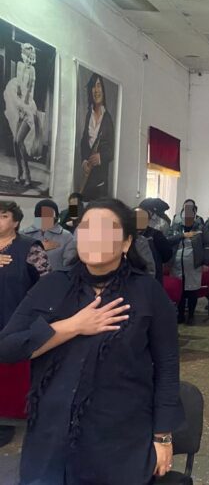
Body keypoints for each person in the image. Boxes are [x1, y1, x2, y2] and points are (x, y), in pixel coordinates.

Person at [0, 198, 184, 483]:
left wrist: (162, 436)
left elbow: (167, 366)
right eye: (86, 228)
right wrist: (72, 326)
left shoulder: (147, 292)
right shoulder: (53, 285)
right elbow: (8, 347)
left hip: (119, 439)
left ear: (126, 242)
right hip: (52, 438)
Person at [0, 200, 50, 448]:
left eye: (3, 216)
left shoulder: (30, 248)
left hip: (13, 317)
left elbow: (47, 283)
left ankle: (6, 421)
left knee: (10, 375)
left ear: (16, 222)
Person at [3, 43, 39, 188]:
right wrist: (18, 106)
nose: (28, 59)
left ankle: (27, 174)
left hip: (29, 107)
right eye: (26, 55)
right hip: (18, 105)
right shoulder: (19, 65)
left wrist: (25, 108)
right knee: (15, 142)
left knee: (19, 140)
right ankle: (19, 172)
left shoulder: (33, 70)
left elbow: (30, 90)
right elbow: (18, 88)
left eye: (30, 56)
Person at [168, 199, 206, 325]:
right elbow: (167, 240)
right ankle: (180, 315)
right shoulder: (175, 227)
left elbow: (206, 246)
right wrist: (182, 235)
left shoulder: (200, 228)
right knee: (180, 290)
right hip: (177, 264)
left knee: (192, 290)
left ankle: (191, 315)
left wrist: (206, 262)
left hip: (193, 264)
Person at [79, 74, 115, 201]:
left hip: (100, 183)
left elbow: (111, 152)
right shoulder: (88, 115)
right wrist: (84, 161)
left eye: (99, 86)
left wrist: (100, 157)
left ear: (103, 90)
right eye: (93, 87)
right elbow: (84, 142)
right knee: (77, 209)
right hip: (87, 179)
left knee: (99, 212)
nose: (96, 90)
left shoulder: (108, 119)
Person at [22, 199, 77, 269]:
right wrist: (39, 248)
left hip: (56, 275)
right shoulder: (23, 235)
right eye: (41, 215)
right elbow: (17, 259)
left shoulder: (67, 237)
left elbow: (69, 264)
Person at [135, 207, 172, 284]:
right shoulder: (127, 234)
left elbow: (167, 254)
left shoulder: (156, 235)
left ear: (148, 220)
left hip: (154, 276)